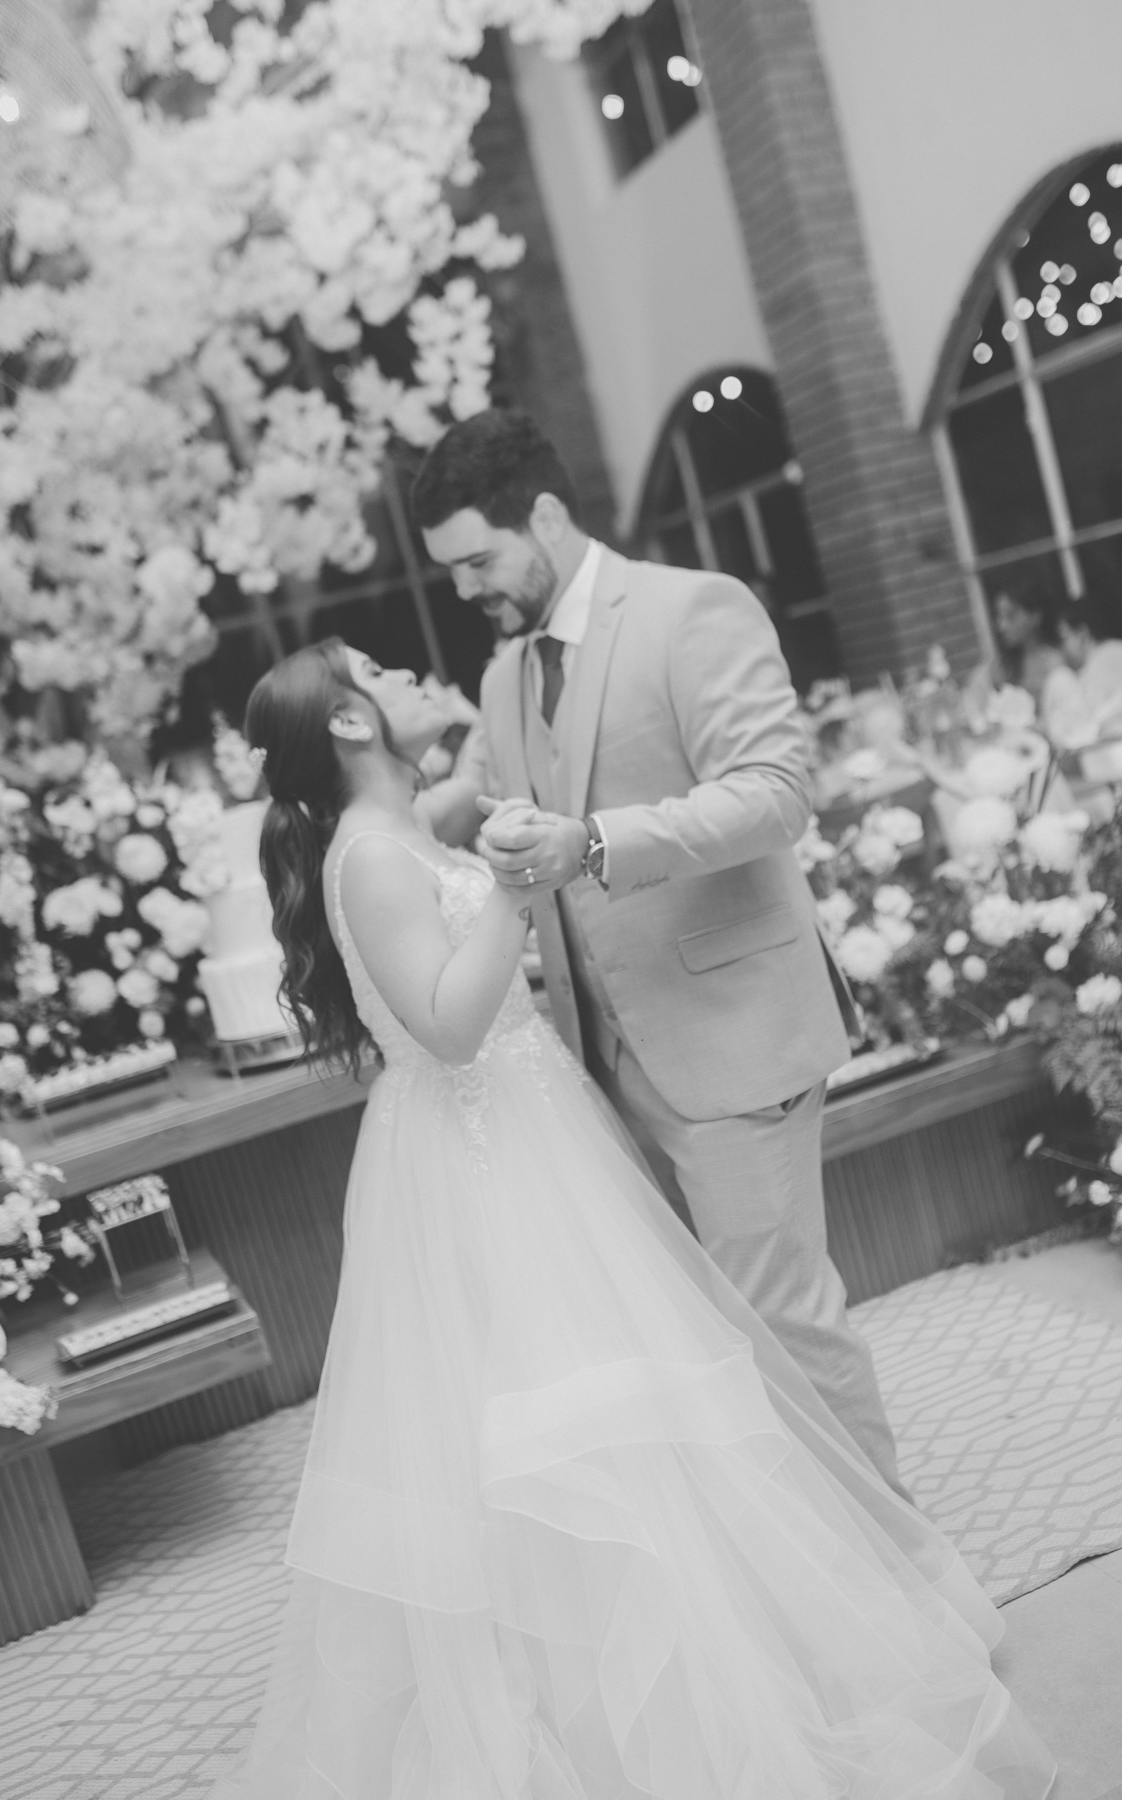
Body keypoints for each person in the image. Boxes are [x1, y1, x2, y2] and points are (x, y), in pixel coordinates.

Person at [211, 636, 1054, 1796]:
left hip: (530, 1124)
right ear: (349, 722)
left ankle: (713, 1678)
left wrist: (499, 806)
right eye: (382, 673)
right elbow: (448, 1027)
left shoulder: (400, 827)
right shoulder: (369, 858)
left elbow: (475, 791)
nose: (405, 673)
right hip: (485, 1159)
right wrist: (516, 894)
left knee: (640, 1408)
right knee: (564, 1430)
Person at [411, 408, 903, 1497]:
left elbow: (775, 794)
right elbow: (490, 797)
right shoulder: (503, 673)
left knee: (785, 1324)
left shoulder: (694, 610)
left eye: (478, 562)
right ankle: (810, 1560)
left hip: (731, 1035)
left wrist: (590, 842)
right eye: (448, 572)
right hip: (605, 1061)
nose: (464, 589)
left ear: (545, 515)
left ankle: (909, 1574)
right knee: (706, 1345)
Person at [964, 585, 1066, 730]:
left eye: (1011, 616)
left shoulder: (1056, 662)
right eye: (999, 616)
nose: (1002, 626)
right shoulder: (1001, 668)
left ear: (1035, 616)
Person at [1048, 589, 1122, 750]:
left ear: (1082, 634)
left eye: (1065, 638)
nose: (1064, 649)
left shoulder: (1098, 664)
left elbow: (1089, 726)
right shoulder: (1116, 649)